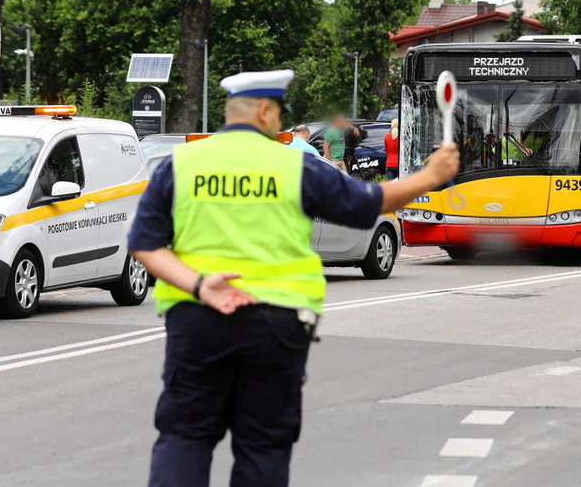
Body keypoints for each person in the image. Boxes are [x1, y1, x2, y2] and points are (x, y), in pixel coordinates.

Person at [129, 70, 458, 487]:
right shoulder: (293, 165)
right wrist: (431, 176)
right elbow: (368, 203)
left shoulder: (181, 164)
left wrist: (199, 285)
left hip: (197, 318)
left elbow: (144, 243)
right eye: (278, 113)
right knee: (263, 445)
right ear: (264, 111)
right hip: (276, 324)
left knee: (184, 435)